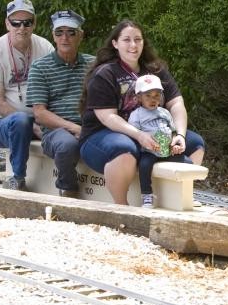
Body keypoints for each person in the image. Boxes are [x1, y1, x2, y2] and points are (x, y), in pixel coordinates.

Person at [78, 20, 205, 205]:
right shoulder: (105, 74)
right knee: (124, 148)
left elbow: (176, 103)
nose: (133, 45)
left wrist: (180, 135)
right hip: (103, 135)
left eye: (138, 39)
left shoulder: (155, 71)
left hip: (151, 133)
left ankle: (180, 196)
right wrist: (139, 135)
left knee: (195, 143)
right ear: (115, 43)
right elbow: (107, 117)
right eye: (126, 40)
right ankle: (122, 206)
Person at [0, 0, 54, 190]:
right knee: (21, 121)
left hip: (41, 119)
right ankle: (17, 178)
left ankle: (66, 185)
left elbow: (56, 89)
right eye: (16, 23)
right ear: (7, 24)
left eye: (27, 22)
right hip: (3, 124)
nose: (22, 28)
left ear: (34, 23)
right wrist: (34, 125)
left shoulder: (45, 47)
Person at [26, 10, 94, 198]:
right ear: (53, 35)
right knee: (67, 145)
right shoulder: (40, 67)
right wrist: (74, 128)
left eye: (71, 32)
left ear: (80, 35)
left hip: (91, 127)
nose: (65, 38)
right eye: (59, 32)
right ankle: (69, 190)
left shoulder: (93, 64)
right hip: (56, 132)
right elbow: (39, 114)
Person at [128, 74, 191, 208]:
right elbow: (134, 134)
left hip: (166, 150)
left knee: (188, 163)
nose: (153, 99)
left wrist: (175, 144)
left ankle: (187, 195)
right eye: (148, 96)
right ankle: (147, 196)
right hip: (149, 151)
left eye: (157, 95)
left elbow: (173, 131)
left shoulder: (164, 113)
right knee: (144, 166)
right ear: (139, 97)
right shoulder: (137, 115)